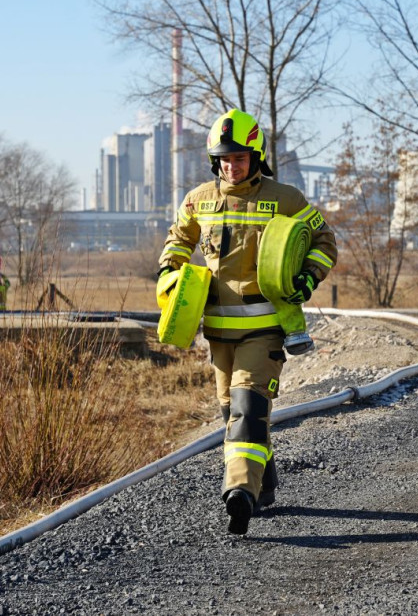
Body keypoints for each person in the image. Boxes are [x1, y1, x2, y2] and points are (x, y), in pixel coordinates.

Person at [157, 109, 337, 535]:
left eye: (239, 158)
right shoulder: (198, 200)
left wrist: (308, 275)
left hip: (265, 326)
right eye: (223, 159)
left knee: (248, 407)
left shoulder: (286, 198)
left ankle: (240, 493)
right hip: (218, 333)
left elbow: (324, 239)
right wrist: (169, 273)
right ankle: (265, 481)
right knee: (232, 416)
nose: (231, 166)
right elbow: (177, 240)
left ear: (256, 156)